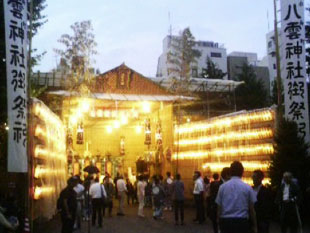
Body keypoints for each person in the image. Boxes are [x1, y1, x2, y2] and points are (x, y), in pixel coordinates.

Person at [216, 161, 257, 233]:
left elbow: (219, 207)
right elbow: (252, 209)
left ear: (231, 172)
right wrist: (254, 226)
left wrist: (218, 224)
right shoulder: (247, 188)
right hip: (242, 221)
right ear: (242, 172)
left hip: (226, 221)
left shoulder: (222, 187)